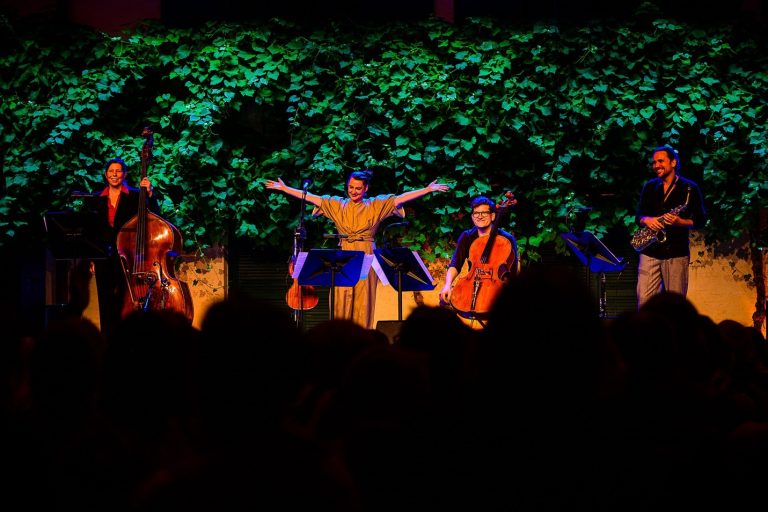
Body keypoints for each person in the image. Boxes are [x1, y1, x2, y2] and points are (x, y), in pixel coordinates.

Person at [264, 170, 450, 329]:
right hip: (343, 254)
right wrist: (285, 188)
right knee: (340, 301)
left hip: (366, 255)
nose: (353, 191)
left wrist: (427, 190)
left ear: (366, 189)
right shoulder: (337, 204)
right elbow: (312, 197)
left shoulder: (375, 205)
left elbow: (400, 198)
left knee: (363, 300)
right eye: (351, 187)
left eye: (358, 188)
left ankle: (362, 342)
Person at [90, 157, 159, 339]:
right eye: (111, 171)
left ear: (125, 174)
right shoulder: (96, 198)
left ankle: (126, 339)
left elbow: (154, 215)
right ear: (106, 175)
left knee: (126, 298)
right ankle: (106, 340)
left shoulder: (137, 195)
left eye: (118, 171)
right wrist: (91, 257)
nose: (114, 174)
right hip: (103, 255)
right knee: (105, 300)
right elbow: (93, 230)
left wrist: (150, 194)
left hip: (128, 255)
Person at [635, 144, 707, 309]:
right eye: (654, 162)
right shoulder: (649, 186)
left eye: (661, 161)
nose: (656, 166)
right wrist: (647, 220)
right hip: (650, 250)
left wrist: (680, 222)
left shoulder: (690, 188)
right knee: (644, 302)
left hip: (676, 252)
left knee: (676, 306)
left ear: (673, 163)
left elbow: (701, 220)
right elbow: (638, 216)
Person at [439, 195, 518, 327]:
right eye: (476, 213)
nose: (479, 216)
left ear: (493, 216)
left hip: (494, 286)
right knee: (443, 301)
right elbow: (455, 264)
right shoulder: (467, 236)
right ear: (472, 216)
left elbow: (513, 273)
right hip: (470, 281)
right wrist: (447, 284)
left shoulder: (506, 239)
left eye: (484, 213)